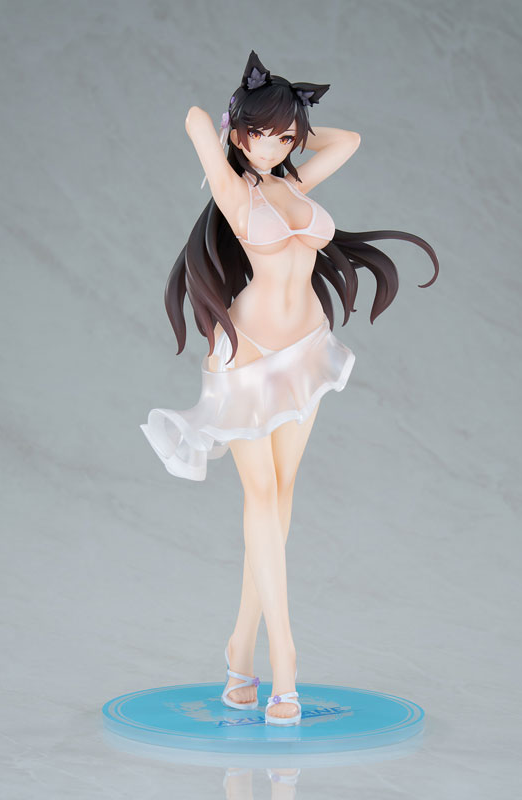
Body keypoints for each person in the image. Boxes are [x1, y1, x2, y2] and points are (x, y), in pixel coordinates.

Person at [140, 51, 439, 725]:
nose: (273, 147)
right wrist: (233, 129)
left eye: (284, 137)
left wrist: (291, 126)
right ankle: (285, 663)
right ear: (241, 134)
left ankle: (238, 650)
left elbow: (350, 139)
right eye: (261, 135)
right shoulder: (233, 192)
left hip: (303, 351)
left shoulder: (294, 178)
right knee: (262, 499)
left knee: (281, 502)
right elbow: (193, 118)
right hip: (247, 360)